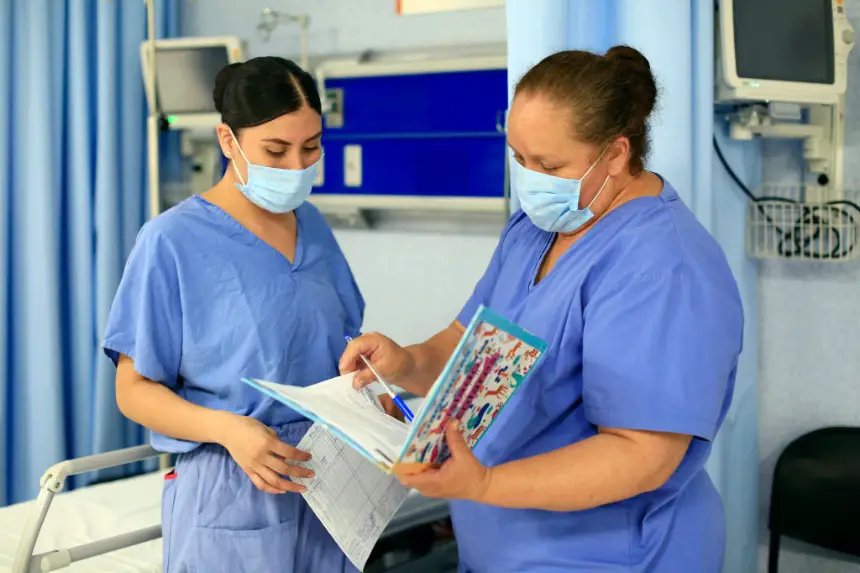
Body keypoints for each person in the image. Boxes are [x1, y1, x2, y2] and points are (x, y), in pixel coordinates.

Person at [340, 46, 744, 573]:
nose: (531, 179)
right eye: (520, 158)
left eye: (549, 165)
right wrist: (406, 363)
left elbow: (642, 455)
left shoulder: (664, 265)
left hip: (609, 555)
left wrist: (484, 484)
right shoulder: (537, 228)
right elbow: (470, 344)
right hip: (504, 547)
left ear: (617, 154)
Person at [102, 57, 379, 572]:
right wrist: (229, 430)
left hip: (328, 485)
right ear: (228, 141)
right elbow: (133, 390)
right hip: (235, 486)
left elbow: (334, 342)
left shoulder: (312, 225)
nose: (297, 167)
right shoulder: (172, 241)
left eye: (311, 148)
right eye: (276, 150)